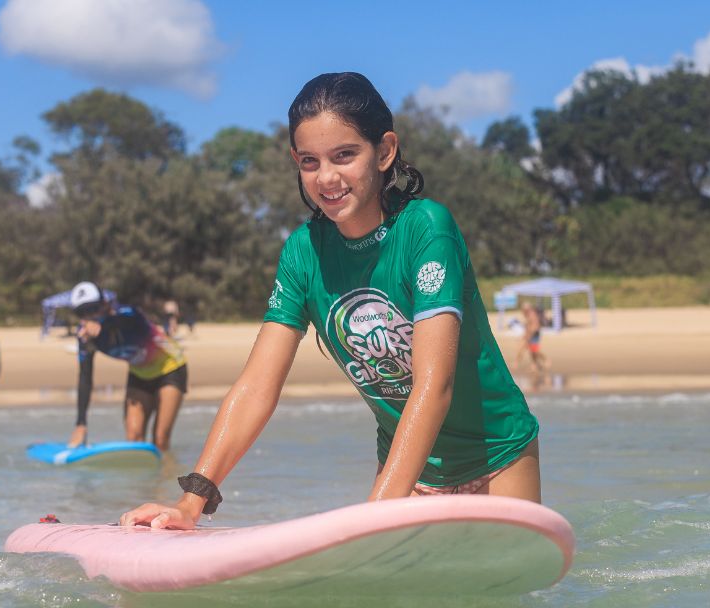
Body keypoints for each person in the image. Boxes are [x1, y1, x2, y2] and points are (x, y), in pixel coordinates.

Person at [121, 72, 540, 530]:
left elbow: (432, 387)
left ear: (384, 152)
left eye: (345, 155)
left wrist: (377, 510)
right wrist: (191, 501)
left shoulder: (425, 230)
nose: (327, 177)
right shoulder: (304, 253)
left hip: (496, 456)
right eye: (309, 161)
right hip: (409, 468)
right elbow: (257, 386)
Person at [66, 281, 188, 451]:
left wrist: (103, 326)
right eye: (82, 312)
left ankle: (166, 475)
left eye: (93, 308)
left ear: (104, 305)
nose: (89, 316)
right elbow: (85, 377)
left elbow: (129, 319)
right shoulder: (86, 337)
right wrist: (81, 424)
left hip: (170, 368)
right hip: (139, 374)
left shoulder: (127, 315)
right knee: (133, 439)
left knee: (160, 439)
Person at [517, 301, 550, 373]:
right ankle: (534, 365)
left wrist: (529, 335)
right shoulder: (527, 315)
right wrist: (526, 334)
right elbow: (528, 326)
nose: (522, 311)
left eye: (524, 309)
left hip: (534, 334)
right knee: (531, 351)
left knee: (535, 351)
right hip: (530, 334)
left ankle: (545, 360)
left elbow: (535, 327)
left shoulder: (532, 315)